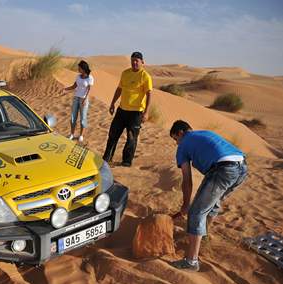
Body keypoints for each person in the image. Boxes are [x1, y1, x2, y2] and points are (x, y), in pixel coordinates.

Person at [169, 120, 248, 271]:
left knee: (196, 212)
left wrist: (186, 205)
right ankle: (202, 238)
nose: (176, 143)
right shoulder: (205, 133)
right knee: (212, 205)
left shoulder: (184, 144)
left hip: (223, 169)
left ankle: (191, 261)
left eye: (175, 139)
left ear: (180, 133)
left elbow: (187, 180)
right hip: (242, 168)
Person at [102, 51, 152, 167]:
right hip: (122, 110)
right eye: (132, 60)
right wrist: (112, 103)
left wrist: (146, 112)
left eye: (137, 61)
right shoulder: (125, 73)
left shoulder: (145, 76)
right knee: (113, 134)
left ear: (142, 62)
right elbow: (119, 89)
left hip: (136, 113)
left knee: (131, 138)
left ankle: (126, 161)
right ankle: (107, 158)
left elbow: (149, 94)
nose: (134, 62)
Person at [63, 60, 93, 142]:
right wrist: (65, 89)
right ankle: (72, 134)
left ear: (83, 69)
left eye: (79, 68)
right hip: (76, 98)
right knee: (73, 117)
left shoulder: (90, 78)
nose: (78, 69)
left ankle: (81, 135)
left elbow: (89, 90)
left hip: (84, 99)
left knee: (83, 118)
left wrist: (85, 99)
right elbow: (74, 86)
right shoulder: (78, 77)